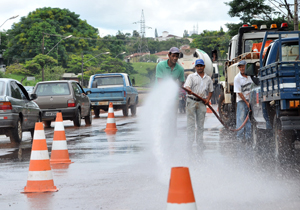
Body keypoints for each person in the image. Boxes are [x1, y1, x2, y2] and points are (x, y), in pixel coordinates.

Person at [184, 59, 213, 154]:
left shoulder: (208, 79)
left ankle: (200, 143)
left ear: (204, 66)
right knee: (191, 125)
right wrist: (188, 89)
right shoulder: (191, 77)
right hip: (191, 101)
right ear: (195, 67)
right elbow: (187, 86)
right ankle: (189, 144)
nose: (199, 68)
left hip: (201, 103)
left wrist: (208, 99)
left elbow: (211, 91)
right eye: (198, 66)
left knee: (200, 125)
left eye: (201, 66)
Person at [233, 60, 253, 143]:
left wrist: (251, 101)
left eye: (243, 66)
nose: (242, 68)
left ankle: (249, 137)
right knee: (241, 119)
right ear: (238, 68)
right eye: (240, 67)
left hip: (251, 100)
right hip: (242, 101)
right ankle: (240, 138)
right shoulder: (237, 78)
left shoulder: (251, 76)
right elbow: (239, 92)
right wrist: (247, 102)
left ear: (246, 66)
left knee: (249, 120)